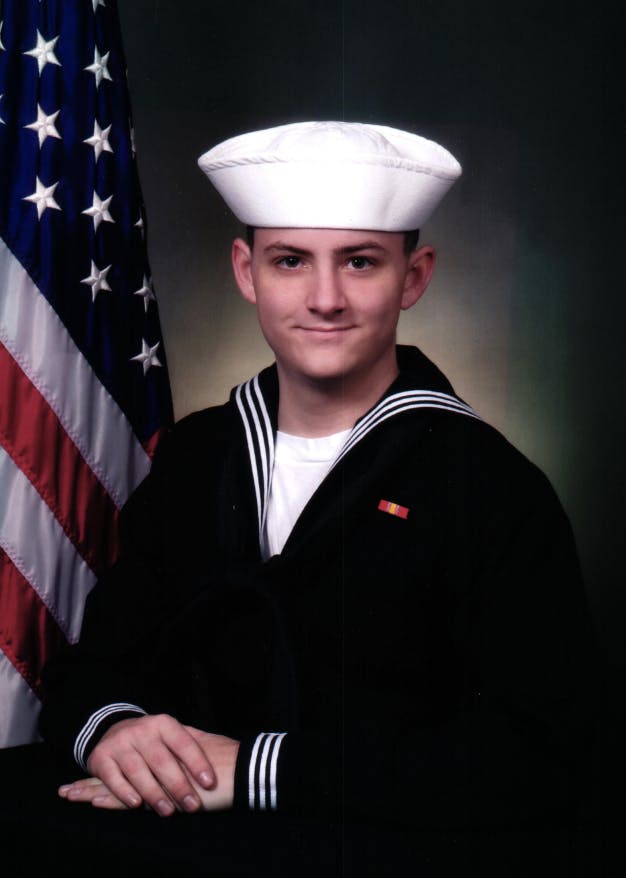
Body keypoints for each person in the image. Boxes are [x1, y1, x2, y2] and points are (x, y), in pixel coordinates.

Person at [38, 121, 596, 836]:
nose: (325, 297)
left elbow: (539, 757)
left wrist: (259, 772)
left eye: (360, 263)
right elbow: (94, 666)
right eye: (290, 260)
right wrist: (114, 730)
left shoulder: (489, 485)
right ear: (246, 272)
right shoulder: (195, 455)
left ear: (414, 276)